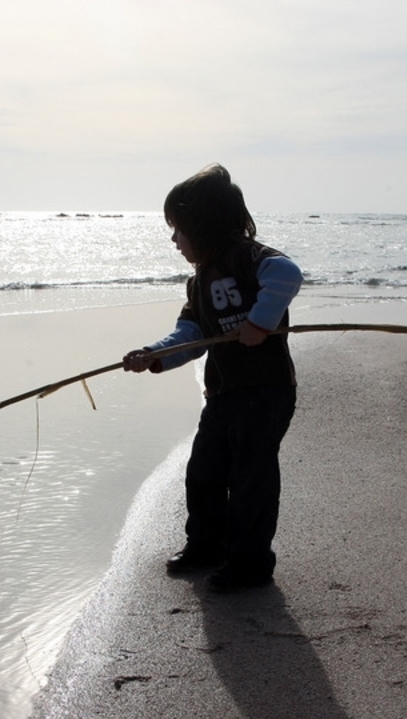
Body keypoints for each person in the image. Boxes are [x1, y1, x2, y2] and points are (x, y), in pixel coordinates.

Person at [122, 164, 302, 592]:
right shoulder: (198, 282)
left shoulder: (249, 258)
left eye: (178, 229)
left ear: (203, 226)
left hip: (266, 391)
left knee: (250, 478)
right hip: (223, 395)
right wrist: (155, 354)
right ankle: (206, 544)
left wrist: (259, 322)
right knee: (204, 470)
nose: (174, 240)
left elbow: (288, 274)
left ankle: (250, 562)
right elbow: (193, 334)